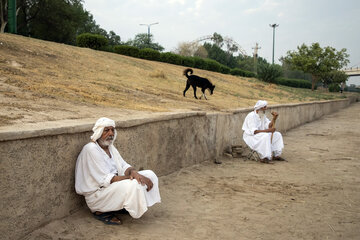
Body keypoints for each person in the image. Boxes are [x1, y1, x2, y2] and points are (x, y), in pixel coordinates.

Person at [75, 117, 161, 225]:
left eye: (112, 130)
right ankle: (100, 211)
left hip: (110, 189)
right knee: (134, 183)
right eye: (106, 130)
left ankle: (121, 206)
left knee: (150, 174)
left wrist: (134, 172)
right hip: (98, 196)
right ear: (99, 132)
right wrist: (134, 177)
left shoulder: (110, 147)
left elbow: (124, 166)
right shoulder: (91, 149)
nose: (111, 133)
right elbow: (108, 179)